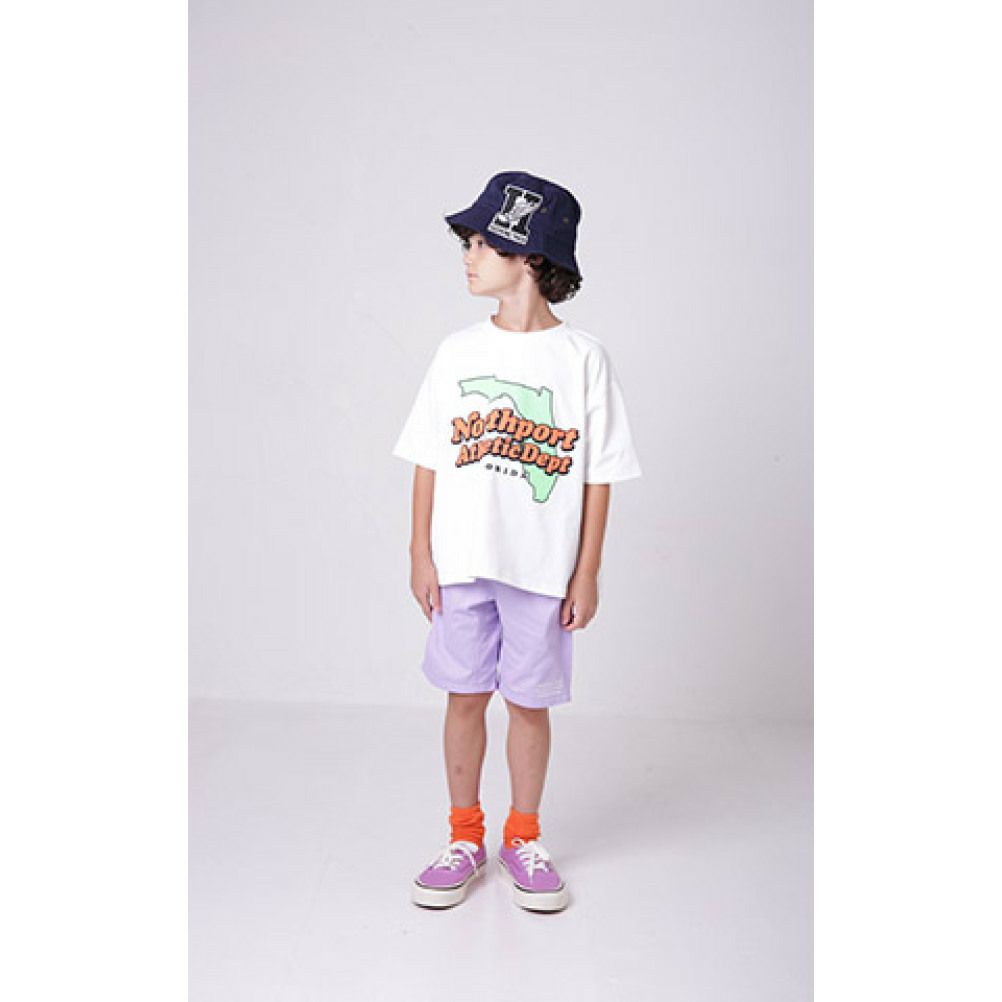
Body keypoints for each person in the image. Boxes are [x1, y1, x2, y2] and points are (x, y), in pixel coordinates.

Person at [391, 171, 643, 912]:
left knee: (529, 704)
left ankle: (523, 837)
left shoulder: (583, 359)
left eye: (481, 243)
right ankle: (464, 837)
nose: (467, 255)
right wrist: (420, 552)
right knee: (464, 697)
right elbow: (429, 456)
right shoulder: (457, 352)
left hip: (541, 568)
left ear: (528, 255)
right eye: (467, 242)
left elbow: (599, 475)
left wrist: (586, 572)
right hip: (463, 561)